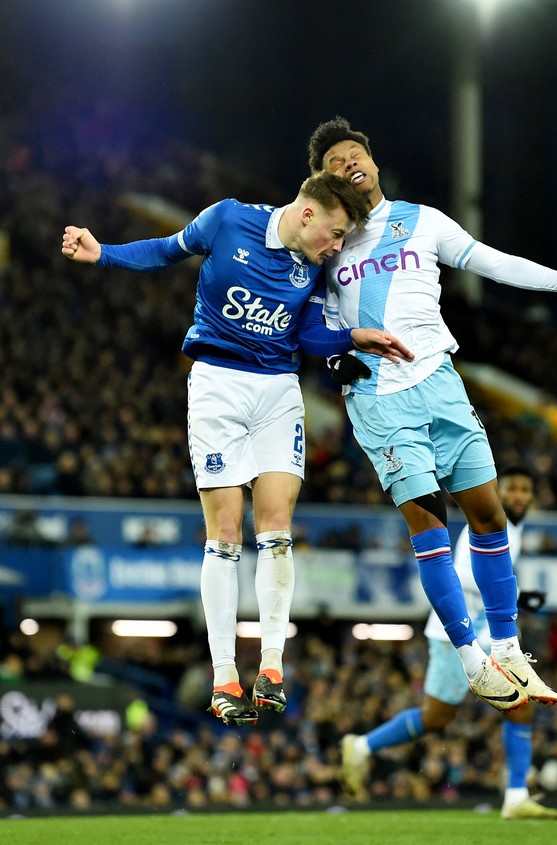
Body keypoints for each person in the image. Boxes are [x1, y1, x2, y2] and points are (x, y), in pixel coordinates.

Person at [61, 172, 412, 727]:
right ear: (306, 215)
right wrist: (103, 253)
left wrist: (352, 336)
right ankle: (224, 676)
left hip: (277, 393)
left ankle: (271, 665)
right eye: (336, 233)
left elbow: (307, 336)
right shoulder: (227, 219)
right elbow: (165, 250)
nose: (338, 246)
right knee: (224, 534)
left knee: (276, 527)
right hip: (217, 387)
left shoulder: (314, 266)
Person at [308, 116, 557, 711]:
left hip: (441, 383)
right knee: (431, 532)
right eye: (334, 163)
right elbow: (305, 316)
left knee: (489, 516)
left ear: (372, 162)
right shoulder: (324, 240)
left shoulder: (421, 221)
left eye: (355, 154)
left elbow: (489, 260)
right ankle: (472, 658)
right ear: (322, 182)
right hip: (379, 398)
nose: (349, 164)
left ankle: (506, 649)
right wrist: (333, 360)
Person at [341, 466, 557, 819]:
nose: (519, 496)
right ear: (499, 492)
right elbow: (466, 577)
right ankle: (363, 746)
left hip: (486, 634)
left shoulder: (511, 529)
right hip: (458, 634)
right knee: (436, 718)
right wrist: (517, 594)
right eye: (513, 489)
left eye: (525, 489)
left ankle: (516, 796)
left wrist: (519, 594)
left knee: (523, 704)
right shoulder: (486, 523)